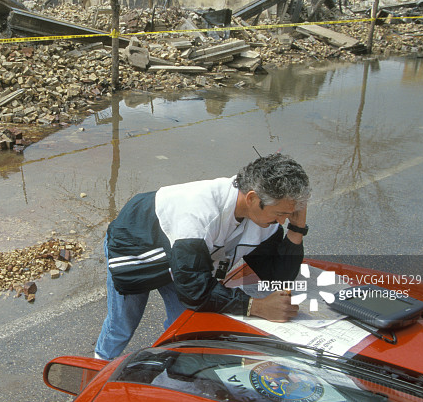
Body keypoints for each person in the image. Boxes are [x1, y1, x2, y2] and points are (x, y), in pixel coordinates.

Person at [94, 153, 310, 360]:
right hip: (137, 243)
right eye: (280, 214)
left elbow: (275, 278)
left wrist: (297, 229)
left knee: (188, 325)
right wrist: (256, 306)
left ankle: (170, 365)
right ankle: (97, 366)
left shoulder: (265, 219)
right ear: (253, 198)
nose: (282, 221)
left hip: (188, 256)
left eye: (287, 215)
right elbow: (195, 291)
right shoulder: (199, 215)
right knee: (122, 323)